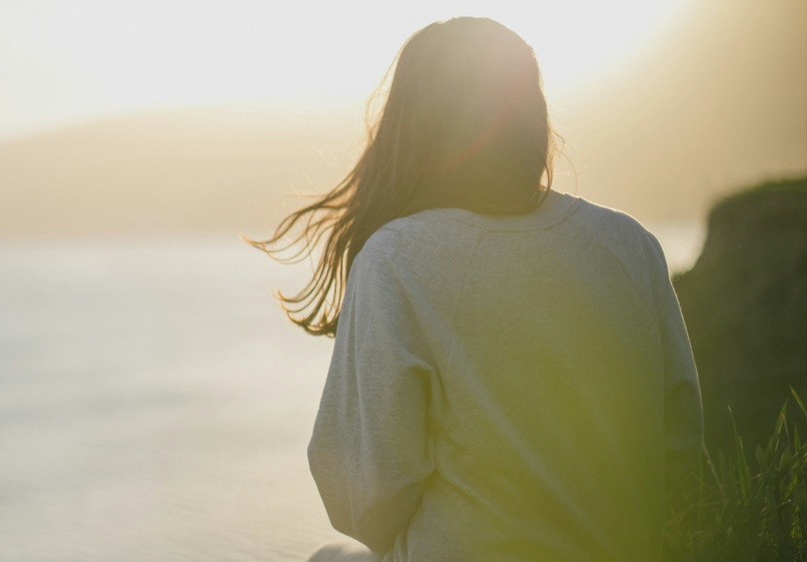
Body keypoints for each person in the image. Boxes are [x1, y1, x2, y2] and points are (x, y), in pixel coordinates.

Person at [248, 17, 705, 561]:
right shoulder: (630, 244)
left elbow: (363, 500)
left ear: (411, 127)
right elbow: (681, 452)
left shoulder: (398, 257)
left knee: (329, 557)